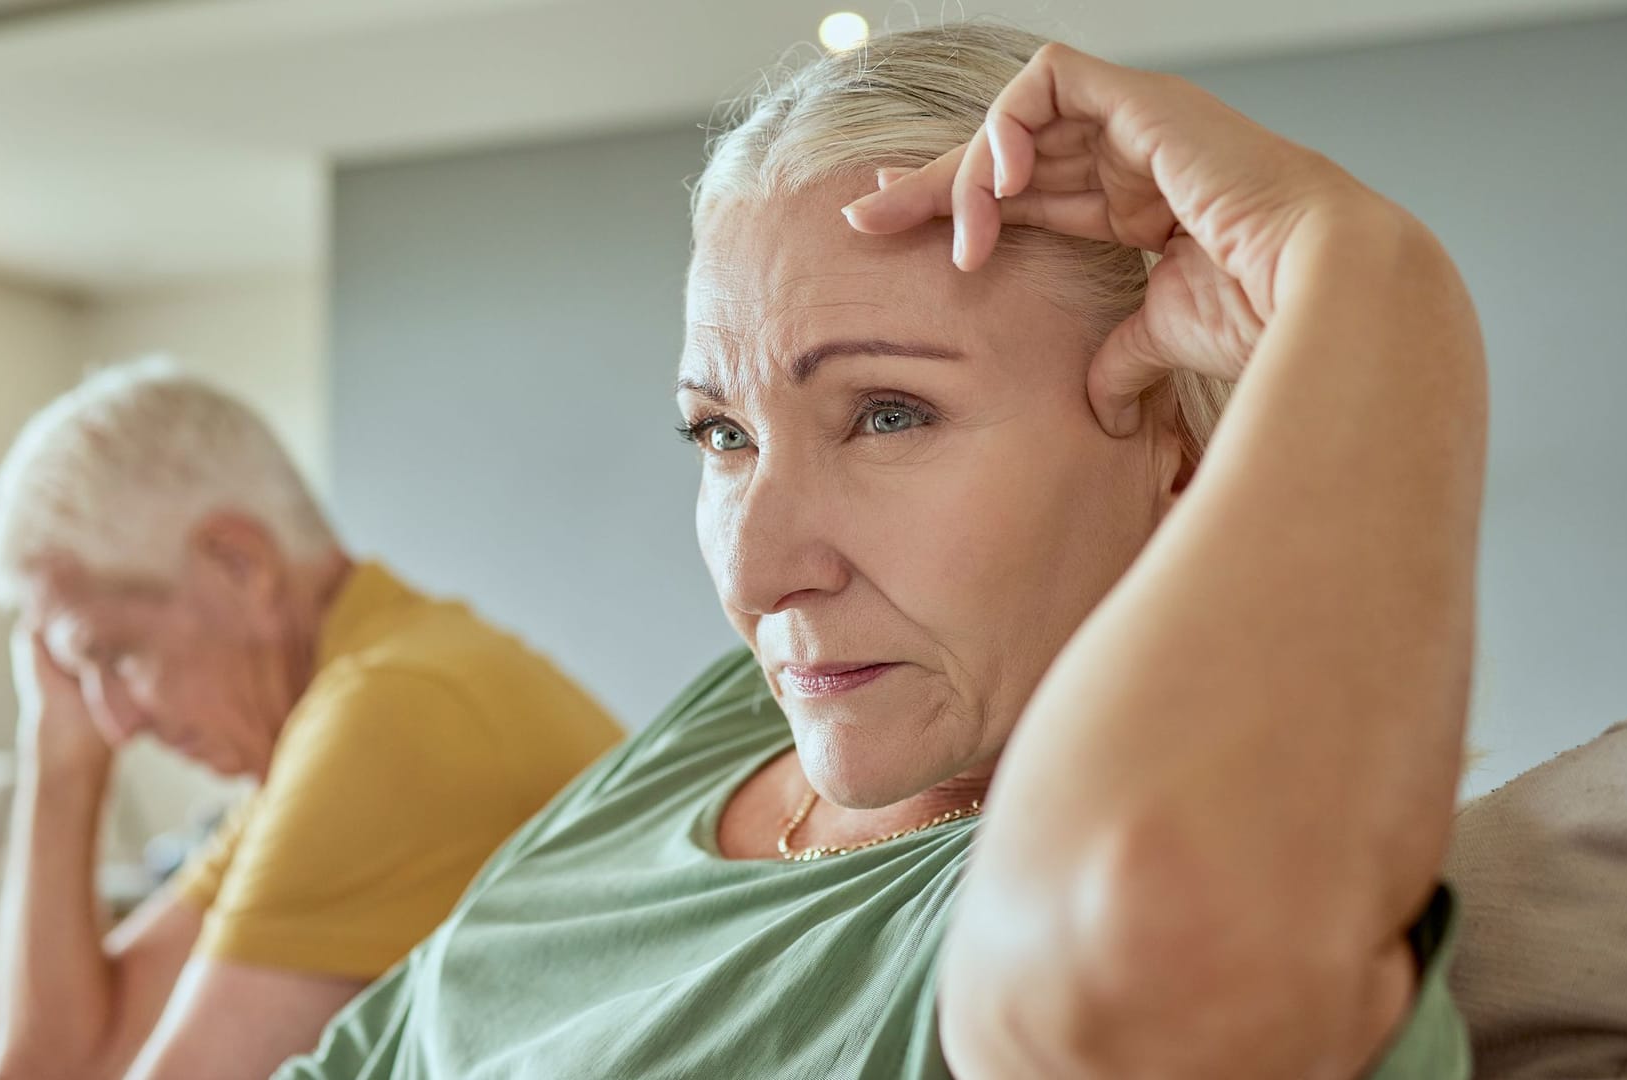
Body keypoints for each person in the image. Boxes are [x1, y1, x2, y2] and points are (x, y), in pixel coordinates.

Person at [280, 22, 1485, 1080]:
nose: (757, 577)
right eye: (723, 433)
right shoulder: (745, 722)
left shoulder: (1150, 887)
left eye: (889, 413)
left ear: (1172, 444)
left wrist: (1368, 273)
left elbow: (1141, 970)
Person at [0, 359, 622, 1080]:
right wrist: (58, 761)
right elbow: (61, 1062)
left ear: (240, 565)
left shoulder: (387, 714)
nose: (114, 724)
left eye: (117, 656)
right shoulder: (355, 696)